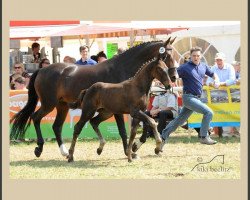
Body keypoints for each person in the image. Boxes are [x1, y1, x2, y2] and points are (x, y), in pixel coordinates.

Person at [160, 46, 219, 150]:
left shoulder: (204, 66)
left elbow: (213, 74)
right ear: (190, 56)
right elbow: (174, 75)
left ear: (200, 56)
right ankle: (203, 136)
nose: (196, 57)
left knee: (179, 121)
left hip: (196, 98)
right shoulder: (184, 67)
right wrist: (170, 78)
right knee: (209, 112)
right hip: (188, 98)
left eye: (197, 56)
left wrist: (217, 80)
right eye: (194, 56)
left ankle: (163, 136)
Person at [206, 52, 236, 137]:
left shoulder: (230, 67)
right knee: (215, 112)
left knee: (227, 112)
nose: (218, 61)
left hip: (229, 95)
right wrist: (213, 84)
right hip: (215, 95)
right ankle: (216, 132)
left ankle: (227, 133)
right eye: (217, 60)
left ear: (224, 60)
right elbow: (208, 81)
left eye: (220, 60)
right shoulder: (213, 68)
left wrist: (220, 84)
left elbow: (232, 80)